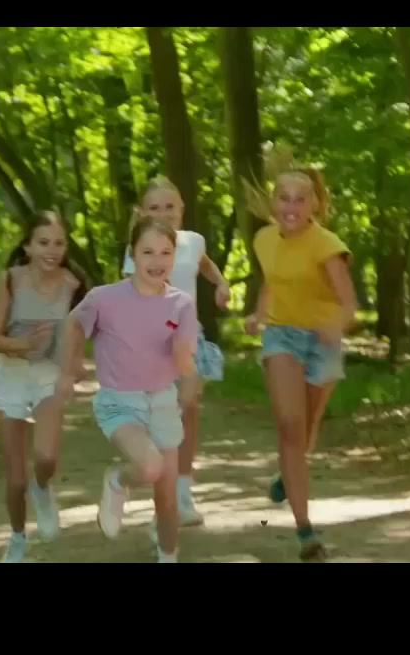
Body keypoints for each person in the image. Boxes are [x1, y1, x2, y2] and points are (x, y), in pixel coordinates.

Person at [55, 216, 199, 563]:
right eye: (147, 251)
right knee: (150, 467)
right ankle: (118, 480)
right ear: (132, 255)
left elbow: (185, 356)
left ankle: (168, 557)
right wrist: (70, 367)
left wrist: (188, 376)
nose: (157, 260)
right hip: (119, 403)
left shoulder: (181, 304)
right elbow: (73, 324)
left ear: (174, 257)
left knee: (167, 498)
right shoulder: (105, 298)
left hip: (162, 402)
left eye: (165, 252)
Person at [243, 147, 357, 561]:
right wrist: (259, 315)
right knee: (290, 429)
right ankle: (305, 531)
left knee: (306, 433)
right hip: (282, 337)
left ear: (314, 205)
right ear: (273, 202)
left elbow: (349, 304)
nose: (290, 207)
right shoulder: (263, 239)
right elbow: (272, 281)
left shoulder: (326, 245)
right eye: (283, 198)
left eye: (299, 199)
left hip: (322, 341)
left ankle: (286, 474)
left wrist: (336, 326)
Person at [122, 177, 230, 530]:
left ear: (182, 209)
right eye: (155, 207)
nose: (164, 213)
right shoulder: (137, 249)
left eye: (170, 206)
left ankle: (183, 491)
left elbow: (205, 264)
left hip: (188, 337)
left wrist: (221, 283)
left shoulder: (192, 241)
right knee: (163, 416)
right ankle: (162, 490)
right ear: (142, 212)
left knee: (188, 406)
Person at [0, 210, 88, 563]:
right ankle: (17, 538)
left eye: (59, 243)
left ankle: (42, 488)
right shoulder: (11, 280)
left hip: (48, 375)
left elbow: (76, 335)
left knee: (46, 457)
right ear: (27, 247)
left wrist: (74, 366)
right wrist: (22, 345)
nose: (51, 250)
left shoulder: (73, 284)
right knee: (14, 481)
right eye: (43, 243)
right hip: (10, 374)